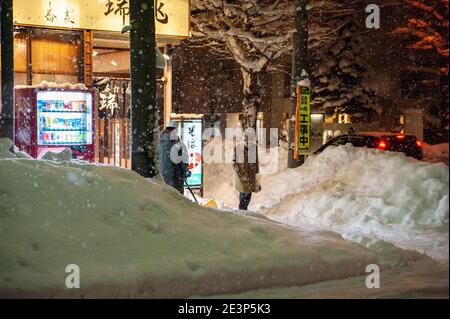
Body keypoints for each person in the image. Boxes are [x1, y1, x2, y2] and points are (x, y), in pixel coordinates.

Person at [158, 121, 191, 194]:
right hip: (175, 176)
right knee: (176, 199)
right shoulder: (179, 145)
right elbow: (184, 161)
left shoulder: (159, 143)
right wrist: (185, 173)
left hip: (161, 177)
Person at [232, 134, 260, 210]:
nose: (247, 143)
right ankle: (241, 210)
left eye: (248, 141)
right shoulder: (237, 148)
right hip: (242, 175)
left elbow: (256, 161)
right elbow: (233, 162)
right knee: (243, 194)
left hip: (251, 174)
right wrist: (239, 171)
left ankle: (245, 209)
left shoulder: (254, 148)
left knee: (248, 195)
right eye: (245, 141)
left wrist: (257, 172)